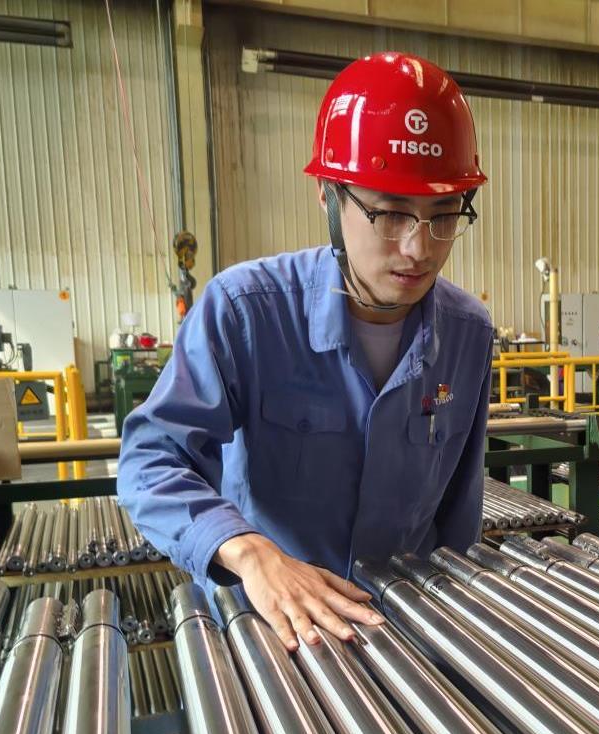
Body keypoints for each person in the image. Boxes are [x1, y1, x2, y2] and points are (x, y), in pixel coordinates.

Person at [118, 50, 492, 651]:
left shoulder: (468, 333)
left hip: (401, 637)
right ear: (327, 196)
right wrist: (248, 552)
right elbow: (152, 459)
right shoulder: (244, 311)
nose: (418, 248)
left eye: (443, 216)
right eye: (390, 214)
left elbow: (458, 516)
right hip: (273, 638)